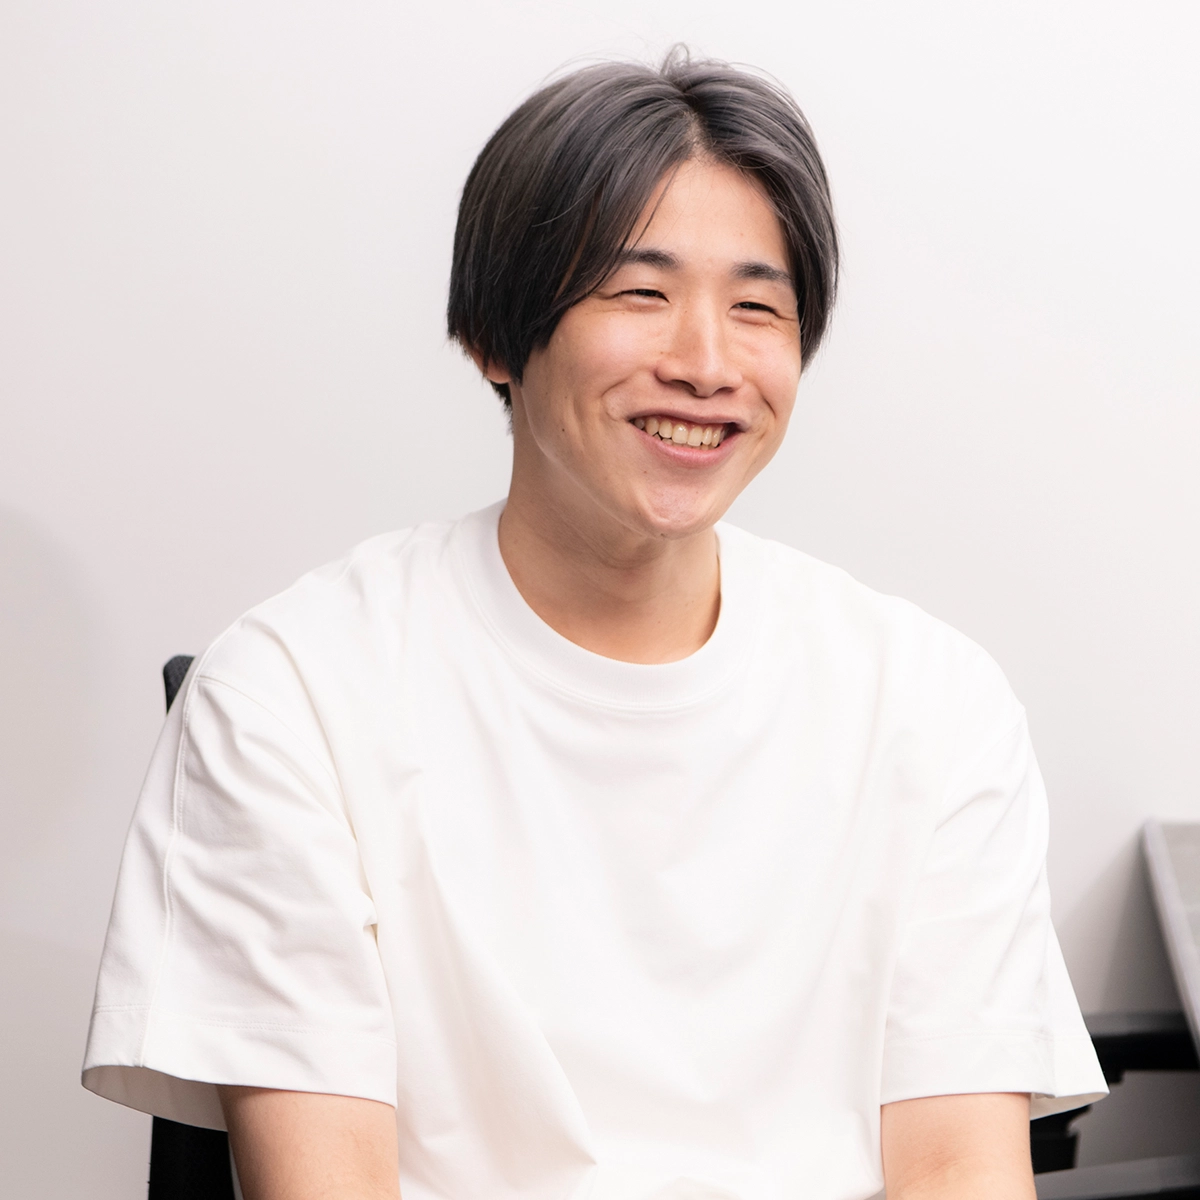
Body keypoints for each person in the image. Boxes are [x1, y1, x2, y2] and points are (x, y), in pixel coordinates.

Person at [83, 50, 1106, 1200]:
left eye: (757, 307)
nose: (707, 364)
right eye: (639, 295)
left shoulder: (930, 703)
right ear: (495, 335)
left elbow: (960, 1171)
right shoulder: (293, 693)